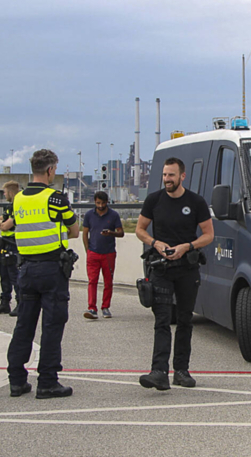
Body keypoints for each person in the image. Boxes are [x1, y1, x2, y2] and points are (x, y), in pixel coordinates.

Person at [135, 157, 214, 390]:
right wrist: (155, 242)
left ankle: (181, 370)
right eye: (164, 175)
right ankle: (158, 371)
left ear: (182, 176)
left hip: (187, 268)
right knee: (161, 321)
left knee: (185, 320)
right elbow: (140, 229)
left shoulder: (196, 202)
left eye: (171, 175)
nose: (167, 179)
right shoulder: (154, 200)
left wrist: (187, 247)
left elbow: (208, 234)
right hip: (161, 268)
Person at [6, 149, 80, 399]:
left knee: (24, 325)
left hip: (26, 269)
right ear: (50, 170)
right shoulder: (55, 198)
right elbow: (75, 230)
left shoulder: (18, 199)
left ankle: (16, 380)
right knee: (52, 326)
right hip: (51, 269)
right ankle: (47, 382)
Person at [82, 190, 123, 319]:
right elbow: (85, 233)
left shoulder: (114, 215)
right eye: (98, 203)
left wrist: (111, 233)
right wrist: (87, 250)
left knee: (108, 281)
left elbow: (121, 233)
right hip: (93, 252)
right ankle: (92, 308)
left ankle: (105, 307)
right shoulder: (89, 215)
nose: (100, 206)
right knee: (92, 281)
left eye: (103, 203)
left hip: (108, 253)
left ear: (107, 202)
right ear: (95, 202)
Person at [0, 180, 21, 316]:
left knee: (15, 276)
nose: (4, 195)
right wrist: (0, 223)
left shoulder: (19, 206)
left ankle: (20, 303)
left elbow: (4, 225)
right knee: (4, 276)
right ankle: (4, 303)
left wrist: (1, 223)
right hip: (4, 244)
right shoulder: (9, 207)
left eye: (4, 192)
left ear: (10, 192)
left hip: (14, 245)